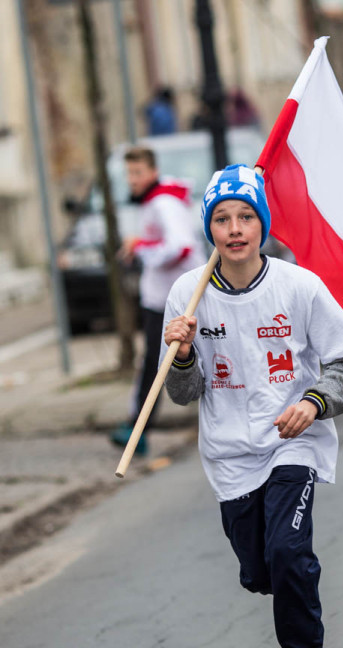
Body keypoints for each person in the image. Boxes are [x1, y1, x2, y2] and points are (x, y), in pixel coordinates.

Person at [160, 164, 343, 648]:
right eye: (222, 218)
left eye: (246, 216)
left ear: (262, 224)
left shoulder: (299, 287)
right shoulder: (188, 294)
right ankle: (283, 574)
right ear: (210, 228)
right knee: (260, 569)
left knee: (288, 554)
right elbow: (182, 393)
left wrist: (315, 403)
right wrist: (181, 353)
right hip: (229, 454)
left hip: (290, 441)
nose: (234, 228)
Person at [110, 146, 204, 455]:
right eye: (129, 174)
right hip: (160, 297)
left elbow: (181, 247)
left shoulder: (163, 203)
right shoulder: (155, 202)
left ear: (152, 171)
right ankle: (137, 427)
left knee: (155, 364)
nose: (133, 180)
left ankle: (138, 429)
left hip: (172, 300)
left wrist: (141, 247)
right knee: (152, 363)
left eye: (138, 173)